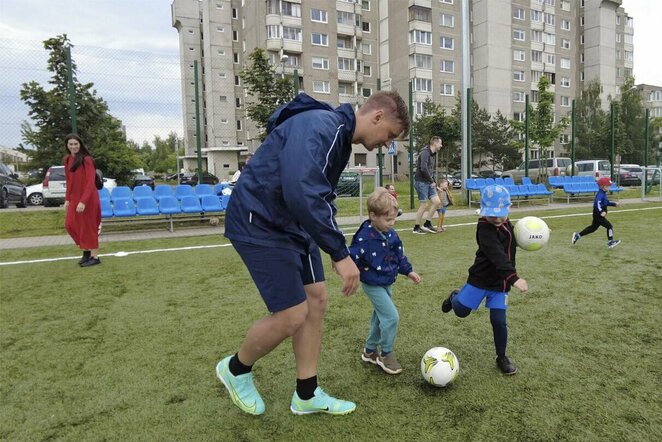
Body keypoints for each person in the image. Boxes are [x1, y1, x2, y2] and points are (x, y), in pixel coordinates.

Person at [219, 91, 409, 416]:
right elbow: (301, 190)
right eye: (389, 135)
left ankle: (306, 394)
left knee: (317, 300)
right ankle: (236, 369)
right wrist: (339, 253)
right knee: (292, 314)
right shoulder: (323, 125)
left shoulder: (339, 138)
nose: (386, 145)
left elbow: (319, 196)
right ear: (376, 116)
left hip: (294, 222)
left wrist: (338, 247)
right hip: (261, 219)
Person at [441, 185, 528, 375]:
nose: (496, 219)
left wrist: (535, 234)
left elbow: (516, 238)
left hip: (500, 284)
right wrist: (514, 278)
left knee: (499, 320)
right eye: (492, 215)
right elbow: (497, 255)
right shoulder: (484, 229)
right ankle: (455, 296)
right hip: (480, 279)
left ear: (509, 208)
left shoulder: (506, 222)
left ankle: (502, 356)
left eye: (500, 214)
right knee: (461, 312)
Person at [349, 188, 420, 375]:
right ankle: (386, 354)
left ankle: (369, 351)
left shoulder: (391, 234)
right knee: (391, 317)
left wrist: (409, 271)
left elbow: (398, 255)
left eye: (394, 218)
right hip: (372, 283)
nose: (392, 223)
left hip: (387, 281)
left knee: (379, 317)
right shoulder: (364, 238)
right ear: (373, 215)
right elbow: (352, 257)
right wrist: (347, 272)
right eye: (388, 219)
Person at [63, 133, 102, 267]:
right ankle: (86, 252)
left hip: (88, 199)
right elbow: (69, 181)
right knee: (70, 225)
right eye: (71, 144)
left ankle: (95, 257)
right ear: (67, 146)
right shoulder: (67, 160)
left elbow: (90, 182)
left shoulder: (87, 159)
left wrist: (83, 201)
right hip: (74, 199)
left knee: (89, 227)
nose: (73, 146)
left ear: (80, 145)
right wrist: (67, 199)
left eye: (76, 144)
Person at [572, 177, 622, 248]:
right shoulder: (600, 194)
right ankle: (610, 242)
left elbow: (606, 202)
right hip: (598, 215)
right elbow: (597, 204)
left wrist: (615, 204)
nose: (609, 187)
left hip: (597, 214)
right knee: (609, 226)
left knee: (593, 228)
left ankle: (578, 235)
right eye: (608, 185)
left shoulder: (603, 193)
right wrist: (601, 212)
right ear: (603, 186)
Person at [413, 136, 442, 234]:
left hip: (428, 182)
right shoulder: (425, 152)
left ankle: (427, 223)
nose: (441, 145)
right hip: (421, 182)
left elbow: (430, 171)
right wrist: (431, 181)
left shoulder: (433, 154)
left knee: (437, 202)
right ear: (435, 143)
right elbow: (423, 168)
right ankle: (416, 227)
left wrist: (434, 183)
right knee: (424, 204)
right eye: (440, 143)